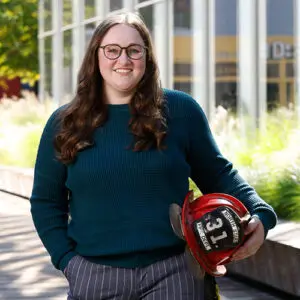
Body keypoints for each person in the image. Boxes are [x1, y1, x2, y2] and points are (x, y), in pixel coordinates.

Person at [30, 11, 277, 300]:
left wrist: (261, 213)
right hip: (94, 276)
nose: (123, 60)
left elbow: (219, 174)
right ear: (95, 56)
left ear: (147, 57)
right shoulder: (64, 123)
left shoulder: (181, 111)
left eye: (134, 50)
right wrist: (67, 262)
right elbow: (46, 202)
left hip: (176, 274)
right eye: (112, 50)